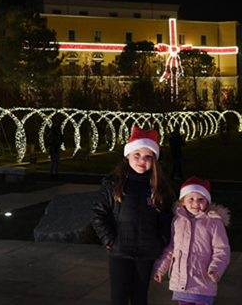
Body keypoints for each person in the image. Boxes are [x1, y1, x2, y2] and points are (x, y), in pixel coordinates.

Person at [91, 126, 173, 305]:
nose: (142, 160)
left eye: (148, 156)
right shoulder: (113, 184)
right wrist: (110, 240)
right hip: (120, 250)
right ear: (127, 155)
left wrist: (160, 240)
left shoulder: (158, 188)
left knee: (139, 297)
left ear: (154, 160)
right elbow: (99, 213)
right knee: (118, 297)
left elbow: (166, 216)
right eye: (137, 154)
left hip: (147, 251)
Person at [153, 177, 230, 305]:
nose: (196, 203)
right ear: (183, 201)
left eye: (201, 199)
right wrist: (161, 269)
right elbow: (170, 248)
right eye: (191, 199)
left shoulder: (214, 223)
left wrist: (216, 269)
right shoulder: (177, 221)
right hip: (181, 280)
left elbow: (222, 250)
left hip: (203, 280)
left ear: (207, 202)